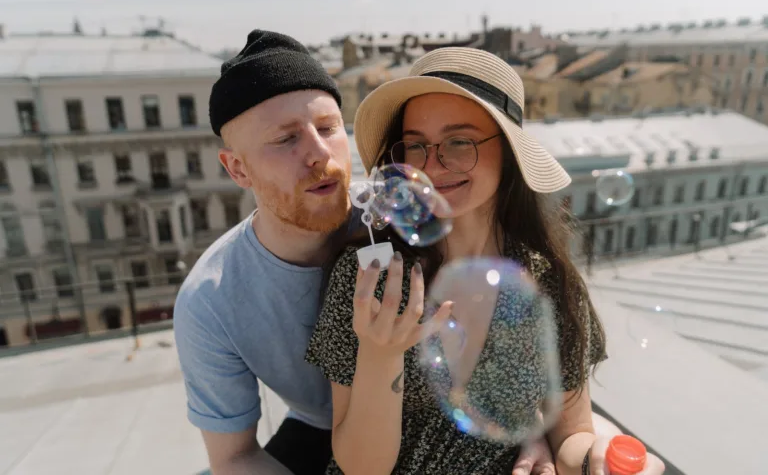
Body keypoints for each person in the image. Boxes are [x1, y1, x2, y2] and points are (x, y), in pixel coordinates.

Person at [173, 29, 556, 475]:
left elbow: (500, 303)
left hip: (420, 428)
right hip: (318, 431)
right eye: (285, 139)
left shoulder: (404, 212)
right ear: (237, 167)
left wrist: (537, 432)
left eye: (327, 128)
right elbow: (234, 456)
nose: (320, 154)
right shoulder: (210, 300)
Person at [305, 47, 666, 474]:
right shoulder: (372, 277)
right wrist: (380, 354)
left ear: (509, 151)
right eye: (416, 145)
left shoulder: (548, 282)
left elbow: (571, 432)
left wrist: (596, 458)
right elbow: (360, 468)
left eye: (459, 141)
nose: (434, 164)